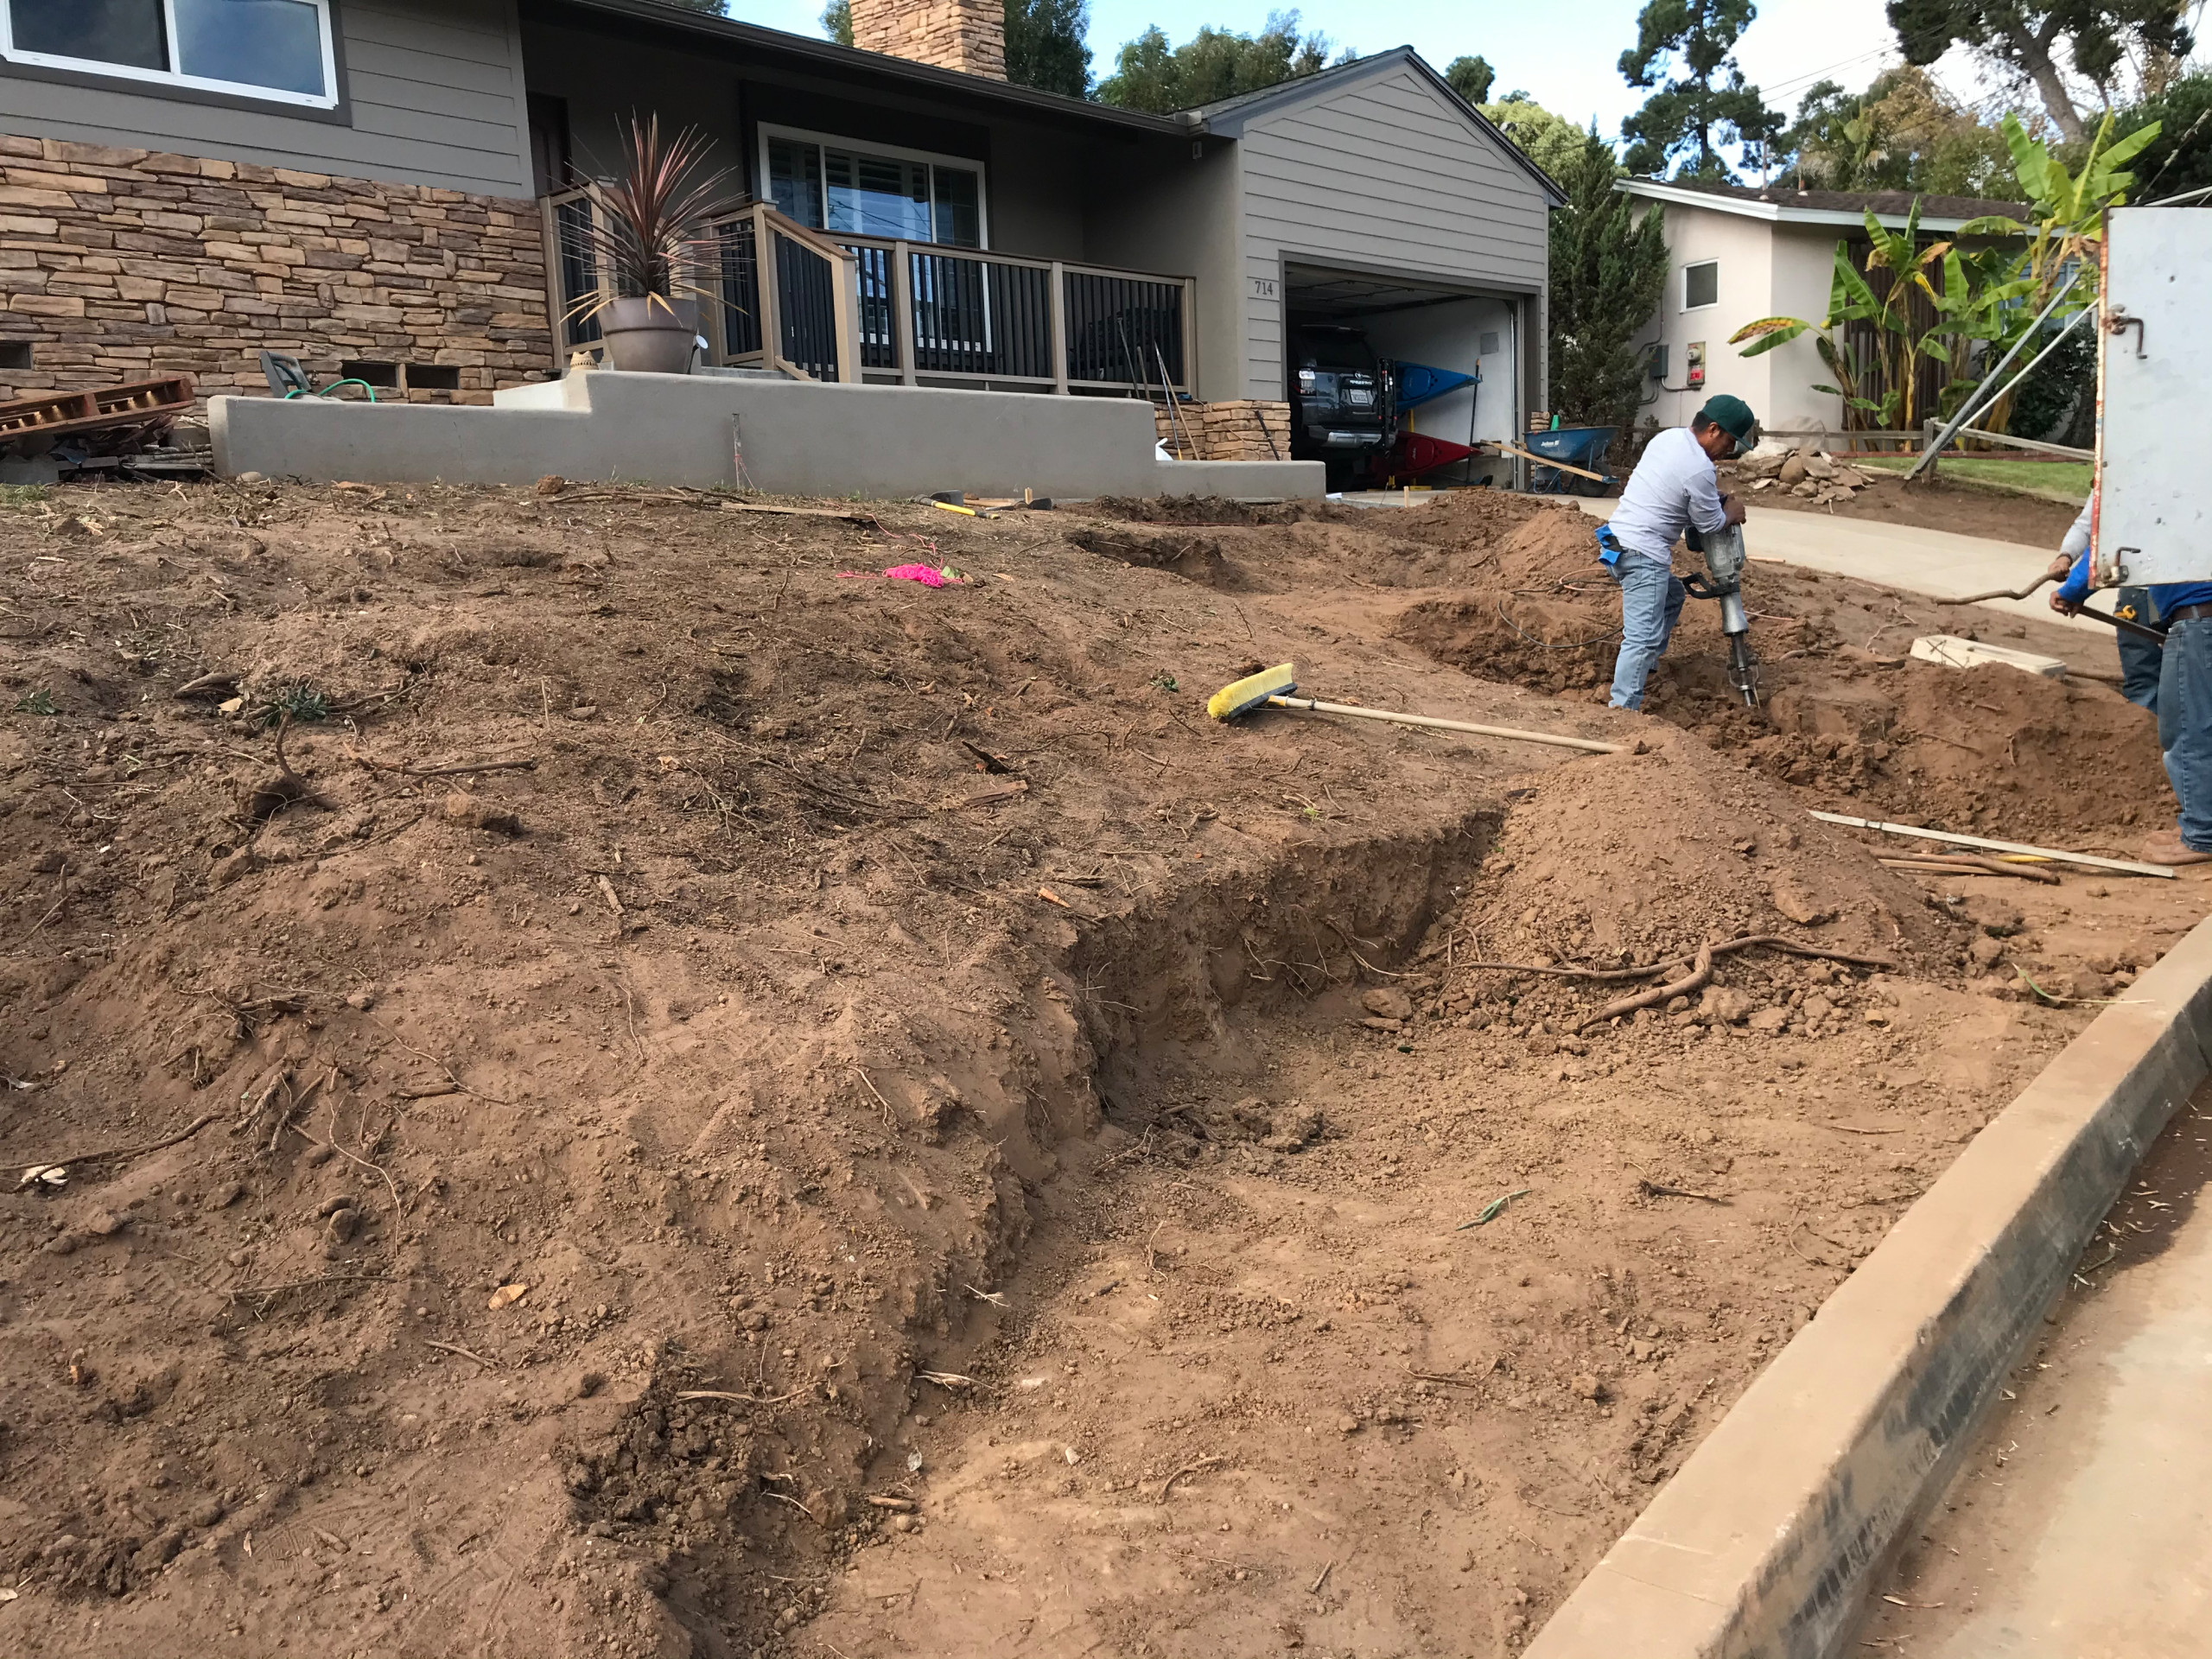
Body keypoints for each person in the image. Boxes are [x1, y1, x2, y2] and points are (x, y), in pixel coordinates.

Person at [2050, 495, 2212, 865]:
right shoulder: (2192, 483)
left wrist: (2071, 592)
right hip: (2201, 616)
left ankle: (2202, 834)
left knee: (2189, 727)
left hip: (2199, 620)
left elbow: (2110, 555)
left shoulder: (2153, 491)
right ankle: (2200, 822)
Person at [1595, 394, 1756, 710]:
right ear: (1712, 429)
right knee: (1639, 638)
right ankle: (1622, 710)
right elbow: (1709, 526)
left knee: (1672, 596)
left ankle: (1646, 665)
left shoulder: (1667, 438)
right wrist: (1733, 512)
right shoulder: (1699, 468)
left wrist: (1714, 496)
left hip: (1616, 543)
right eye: (1729, 441)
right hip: (1643, 556)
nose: (1729, 451)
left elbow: (1671, 483)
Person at [2044, 493, 2160, 712]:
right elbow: (2088, 524)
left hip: (2144, 590)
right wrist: (2065, 555)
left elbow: (2110, 534)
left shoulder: (2126, 469)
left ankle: (2149, 736)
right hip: (2194, 594)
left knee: (2144, 678)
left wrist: (2074, 591)